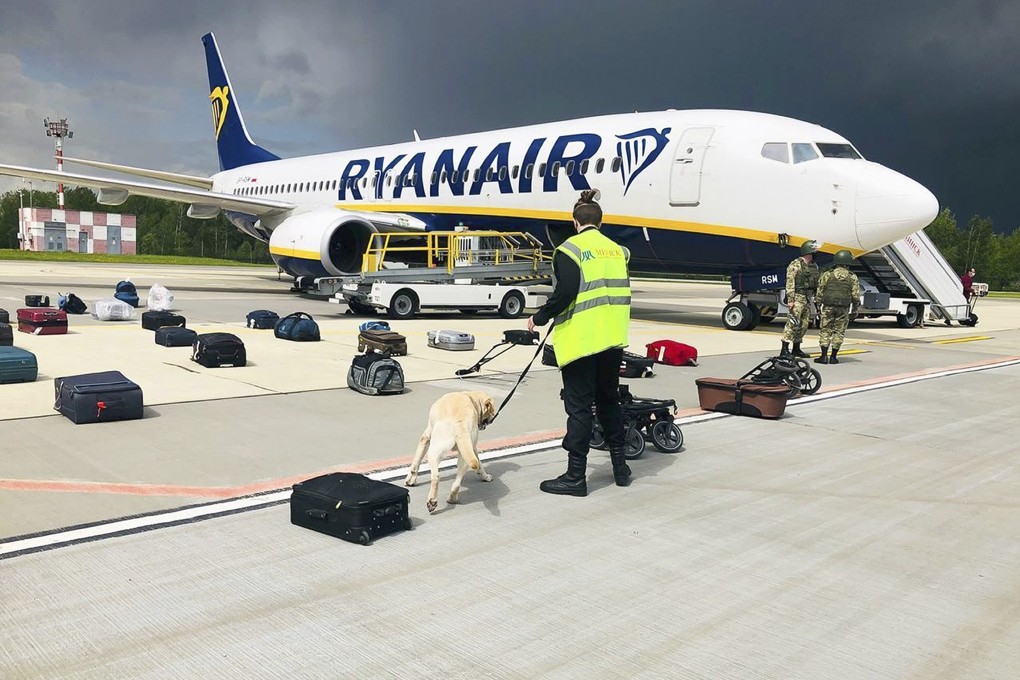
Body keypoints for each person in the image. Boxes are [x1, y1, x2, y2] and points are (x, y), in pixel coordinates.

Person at [527, 189, 631, 497]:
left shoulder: (569, 250)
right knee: (610, 402)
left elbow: (566, 292)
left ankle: (575, 476)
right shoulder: (618, 251)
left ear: (575, 222)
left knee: (580, 409)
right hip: (612, 339)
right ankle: (621, 468)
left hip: (582, 342)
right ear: (600, 221)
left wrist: (541, 316)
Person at [815, 249, 861, 365]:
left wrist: (818, 306)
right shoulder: (852, 277)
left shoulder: (827, 275)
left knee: (825, 330)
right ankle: (834, 357)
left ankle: (823, 356)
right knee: (839, 332)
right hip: (843, 308)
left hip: (828, 307)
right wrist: (855, 309)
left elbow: (820, 292)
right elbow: (855, 296)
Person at [781, 240, 820, 358]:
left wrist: (817, 301)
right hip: (797, 297)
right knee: (792, 323)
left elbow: (816, 283)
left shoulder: (814, 265)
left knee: (803, 324)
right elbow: (790, 282)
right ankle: (784, 349)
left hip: (807, 298)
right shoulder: (795, 264)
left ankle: (796, 348)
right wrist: (791, 300)